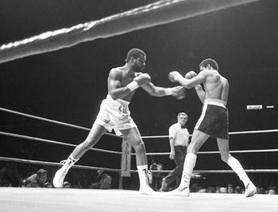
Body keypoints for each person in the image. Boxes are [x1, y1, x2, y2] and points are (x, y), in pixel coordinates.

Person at [53, 48, 185, 194]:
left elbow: (154, 91)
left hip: (123, 113)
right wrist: (136, 83)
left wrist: (172, 91)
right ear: (132, 59)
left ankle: (144, 186)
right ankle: (64, 169)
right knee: (89, 143)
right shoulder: (116, 72)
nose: (144, 64)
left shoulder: (139, 76)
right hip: (109, 110)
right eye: (142, 61)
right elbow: (114, 94)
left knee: (139, 145)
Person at [167, 58, 257, 197]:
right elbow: (208, 99)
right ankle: (248, 184)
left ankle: (183, 187)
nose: (200, 73)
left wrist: (178, 76)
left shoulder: (208, 73)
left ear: (208, 66)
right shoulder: (225, 81)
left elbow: (188, 84)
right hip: (222, 112)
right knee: (225, 156)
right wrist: (199, 87)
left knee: (192, 147)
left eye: (201, 70)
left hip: (211, 110)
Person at [159, 112, 190, 192]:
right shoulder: (174, 127)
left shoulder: (185, 129)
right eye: (181, 118)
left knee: (183, 169)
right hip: (177, 148)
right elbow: (171, 139)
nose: (183, 119)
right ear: (178, 118)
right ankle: (166, 180)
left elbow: (187, 141)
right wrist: (172, 150)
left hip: (185, 149)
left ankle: (178, 187)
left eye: (185, 118)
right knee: (181, 167)